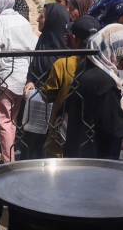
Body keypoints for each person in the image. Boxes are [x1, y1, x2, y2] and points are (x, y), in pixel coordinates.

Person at [63, 24, 123, 159]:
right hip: (97, 161)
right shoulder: (105, 82)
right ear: (115, 47)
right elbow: (116, 129)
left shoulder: (85, 68)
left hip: (78, 153)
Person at [38, 15, 100, 157]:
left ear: (74, 38)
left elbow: (47, 95)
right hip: (91, 136)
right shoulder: (104, 65)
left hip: (61, 136)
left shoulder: (63, 64)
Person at [0, 0, 36, 162]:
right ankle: (10, 155)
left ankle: (8, 160)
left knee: (4, 120)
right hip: (25, 76)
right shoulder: (23, 21)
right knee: (13, 119)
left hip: (7, 76)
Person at [20, 1, 71, 159]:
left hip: (56, 109)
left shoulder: (67, 49)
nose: (37, 20)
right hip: (37, 106)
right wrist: (30, 81)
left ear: (52, 21)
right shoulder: (43, 40)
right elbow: (33, 67)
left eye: (41, 17)